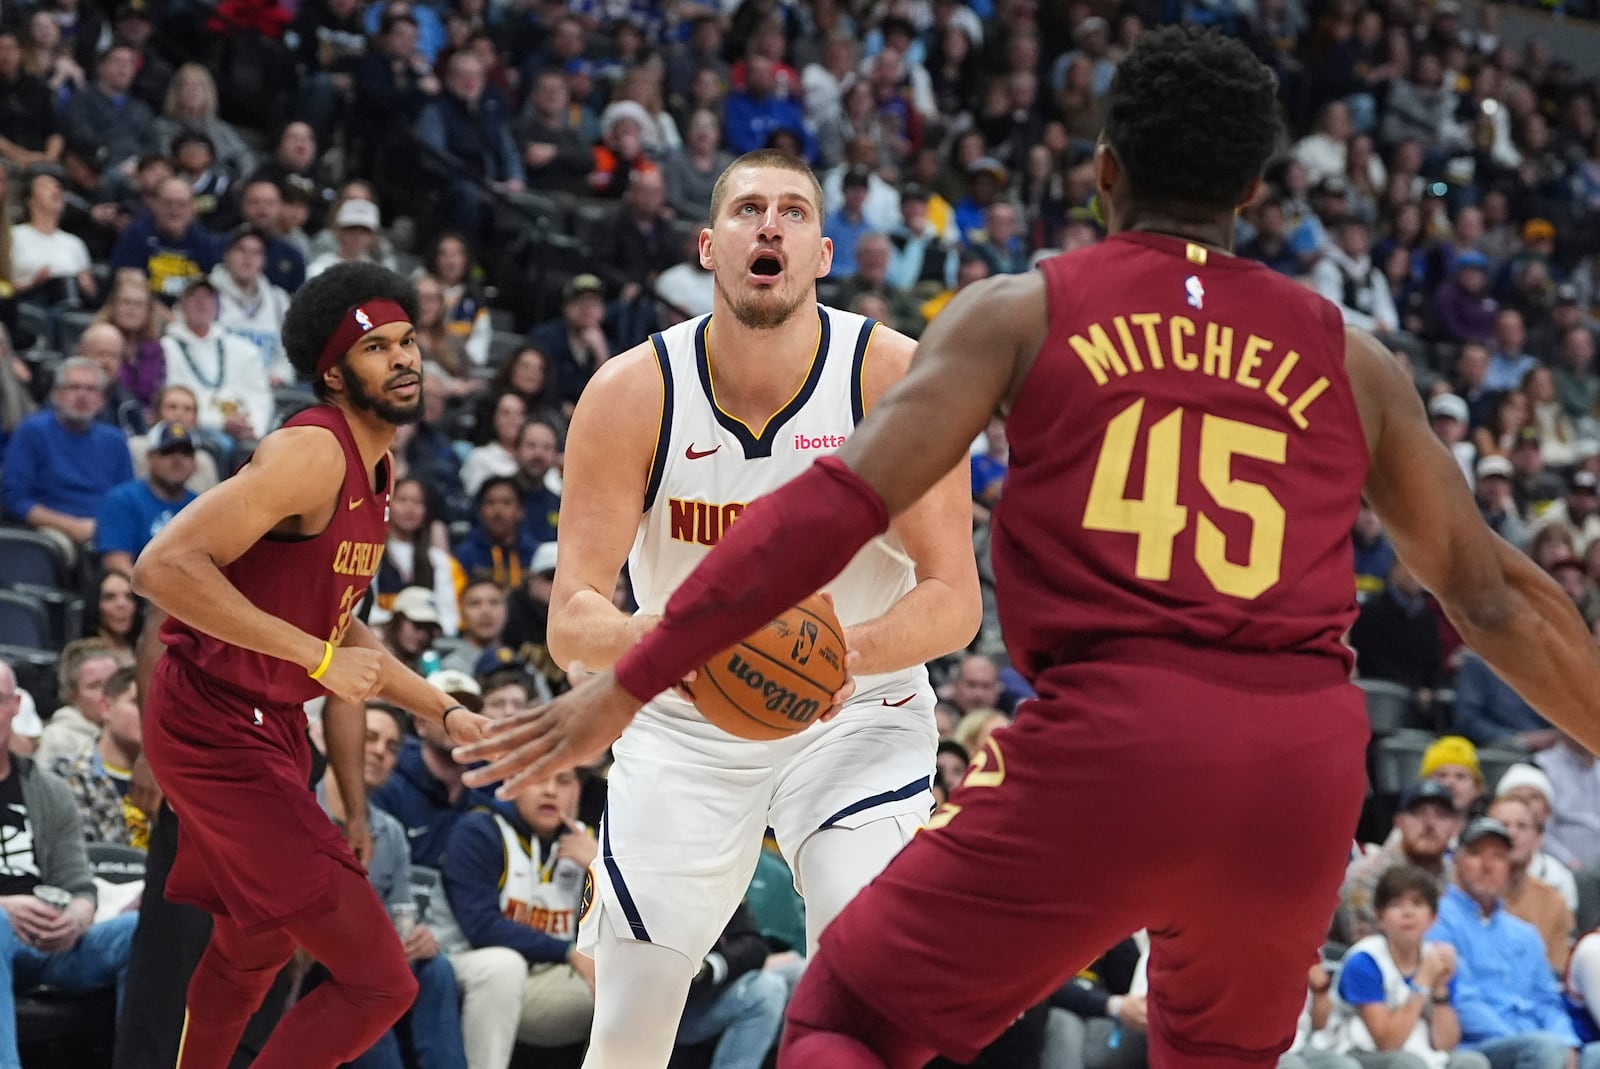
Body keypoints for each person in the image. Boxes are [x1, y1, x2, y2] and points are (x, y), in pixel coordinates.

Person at [457, 28, 1600, 1069]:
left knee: (846, 1021)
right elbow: (1494, 595)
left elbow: (823, 513)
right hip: (1300, 764)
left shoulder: (1023, 308)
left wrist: (630, 681)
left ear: (1101, 169)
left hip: (1109, 737)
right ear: (1256, 190)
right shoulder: (1350, 352)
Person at [472, 147, 978, 1068]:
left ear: (824, 252)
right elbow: (573, 614)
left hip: (857, 711)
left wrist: (838, 656)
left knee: (865, 985)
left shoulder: (892, 376)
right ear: (710, 246)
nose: (771, 225)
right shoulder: (632, 392)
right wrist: (683, 647)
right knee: (628, 1028)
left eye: (793, 212)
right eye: (749, 210)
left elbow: (955, 601)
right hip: (685, 718)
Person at [131, 262, 491, 1069]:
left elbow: (336, 623)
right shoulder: (311, 453)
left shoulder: (379, 468)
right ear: (334, 371)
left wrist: (444, 710)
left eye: (408, 342)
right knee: (380, 978)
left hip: (269, 723)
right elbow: (161, 567)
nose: (403, 358)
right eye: (377, 348)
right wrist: (314, 656)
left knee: (253, 943)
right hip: (211, 720)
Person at [0, 658, 140, 1069]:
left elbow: (79, 884)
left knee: (142, 929)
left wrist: (77, 917)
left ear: (16, 706)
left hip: (52, 937)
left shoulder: (49, 791)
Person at [1331, 864, 1485, 1069]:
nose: (1408, 912)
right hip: (1362, 1053)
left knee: (1472, 1062)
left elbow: (1446, 1045)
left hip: (1420, 1053)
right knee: (1408, 1064)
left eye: (1417, 903)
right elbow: (1387, 1043)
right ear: (1380, 918)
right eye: (1396, 904)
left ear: (1433, 918)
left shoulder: (1437, 958)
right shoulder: (1364, 960)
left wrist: (1440, 989)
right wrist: (1421, 982)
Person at [96, 420, 200, 576]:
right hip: (139, 594)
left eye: (186, 453)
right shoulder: (122, 500)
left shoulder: (200, 505)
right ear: (150, 457)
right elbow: (116, 564)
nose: (177, 460)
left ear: (194, 462)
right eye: (168, 451)